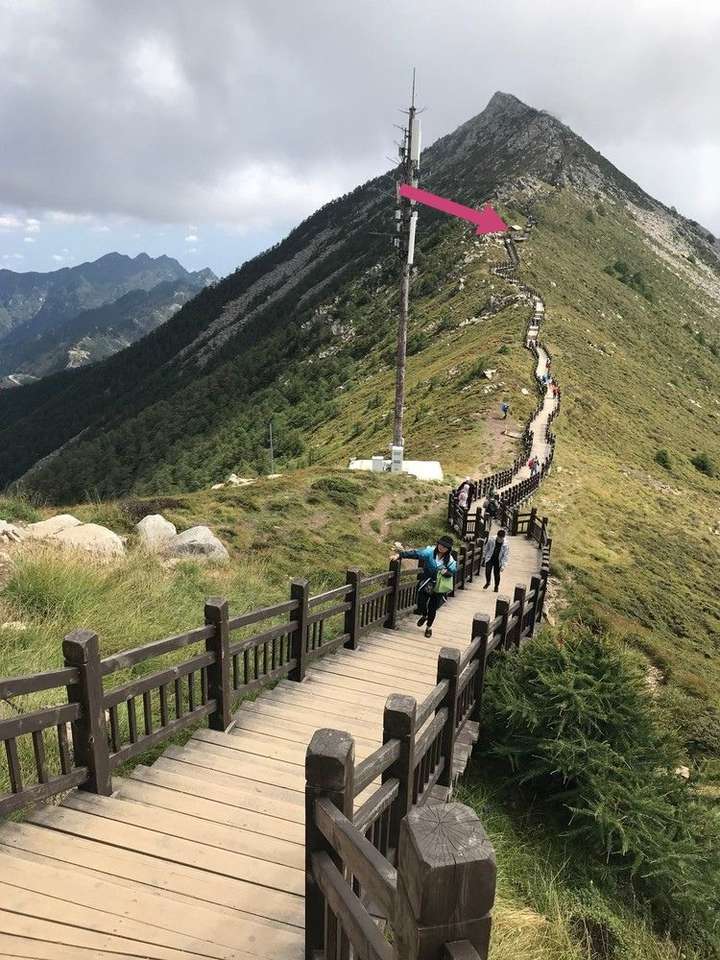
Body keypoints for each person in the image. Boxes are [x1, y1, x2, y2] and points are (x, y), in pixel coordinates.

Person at [391, 535, 457, 638]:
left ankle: (429, 627)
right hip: (427, 583)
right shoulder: (429, 552)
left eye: (445, 547)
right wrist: (400, 555)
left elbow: (452, 572)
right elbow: (416, 553)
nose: (441, 547)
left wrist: (446, 572)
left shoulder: (450, 560)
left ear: (448, 549)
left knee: (433, 608)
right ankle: (424, 615)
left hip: (439, 587)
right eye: (440, 544)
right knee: (421, 603)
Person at [482, 528, 509, 592]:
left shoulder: (505, 545)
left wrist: (503, 566)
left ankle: (496, 586)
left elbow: (505, 556)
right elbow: (486, 548)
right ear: (497, 536)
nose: (500, 540)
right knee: (488, 571)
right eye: (499, 538)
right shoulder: (491, 540)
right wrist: (484, 556)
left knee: (496, 574)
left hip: (498, 560)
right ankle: (488, 582)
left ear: (503, 538)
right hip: (490, 558)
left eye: (501, 539)